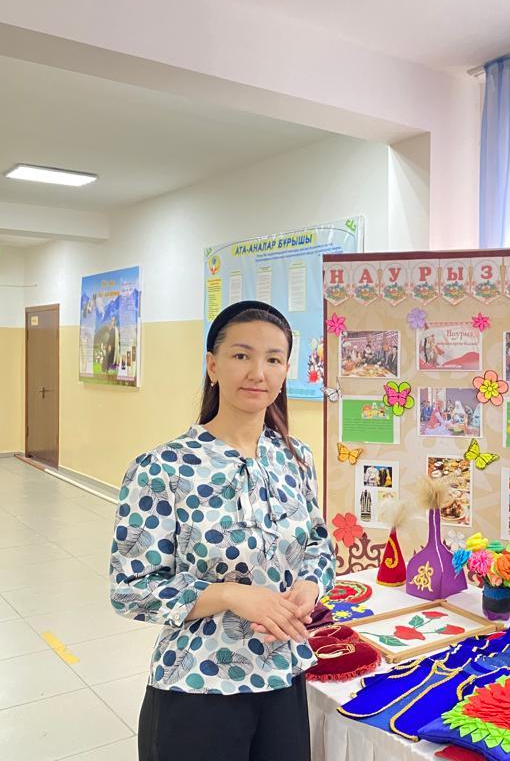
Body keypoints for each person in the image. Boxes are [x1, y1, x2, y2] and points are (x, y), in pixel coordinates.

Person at [110, 300, 334, 761]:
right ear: (212, 365)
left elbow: (318, 542)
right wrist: (231, 595)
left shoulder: (296, 458)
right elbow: (129, 589)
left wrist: (310, 585)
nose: (258, 372)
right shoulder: (162, 468)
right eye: (241, 355)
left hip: (283, 676)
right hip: (198, 685)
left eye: (274, 359)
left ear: (285, 371)